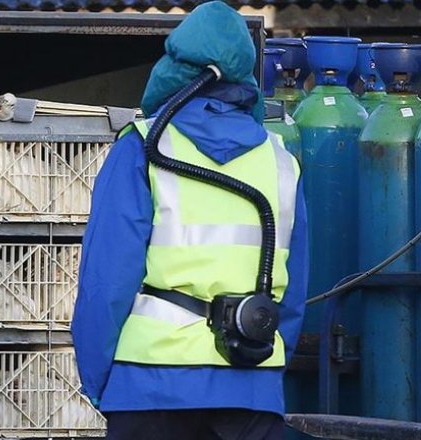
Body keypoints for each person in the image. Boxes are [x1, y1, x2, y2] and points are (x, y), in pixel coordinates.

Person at [71, 2, 308, 439]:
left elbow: (106, 282)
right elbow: (292, 297)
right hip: (250, 393)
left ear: (179, 68)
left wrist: (101, 383)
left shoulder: (142, 148)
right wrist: (262, 377)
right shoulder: (279, 162)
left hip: (150, 391)